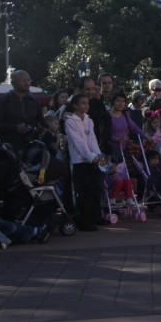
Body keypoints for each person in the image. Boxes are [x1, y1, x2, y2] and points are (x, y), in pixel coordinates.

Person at [65, 93, 106, 231]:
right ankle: (84, 220)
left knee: (94, 189)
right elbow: (78, 142)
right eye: (82, 103)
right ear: (75, 105)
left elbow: (92, 139)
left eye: (87, 103)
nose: (86, 105)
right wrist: (89, 156)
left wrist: (98, 155)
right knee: (84, 191)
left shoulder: (89, 120)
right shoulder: (70, 121)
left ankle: (94, 217)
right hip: (80, 161)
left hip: (92, 160)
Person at [0, 70, 43, 154]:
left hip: (31, 146)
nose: (26, 83)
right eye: (22, 80)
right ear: (13, 83)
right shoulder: (3, 101)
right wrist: (15, 127)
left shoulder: (34, 101)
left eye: (28, 80)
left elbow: (41, 121)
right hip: (10, 147)